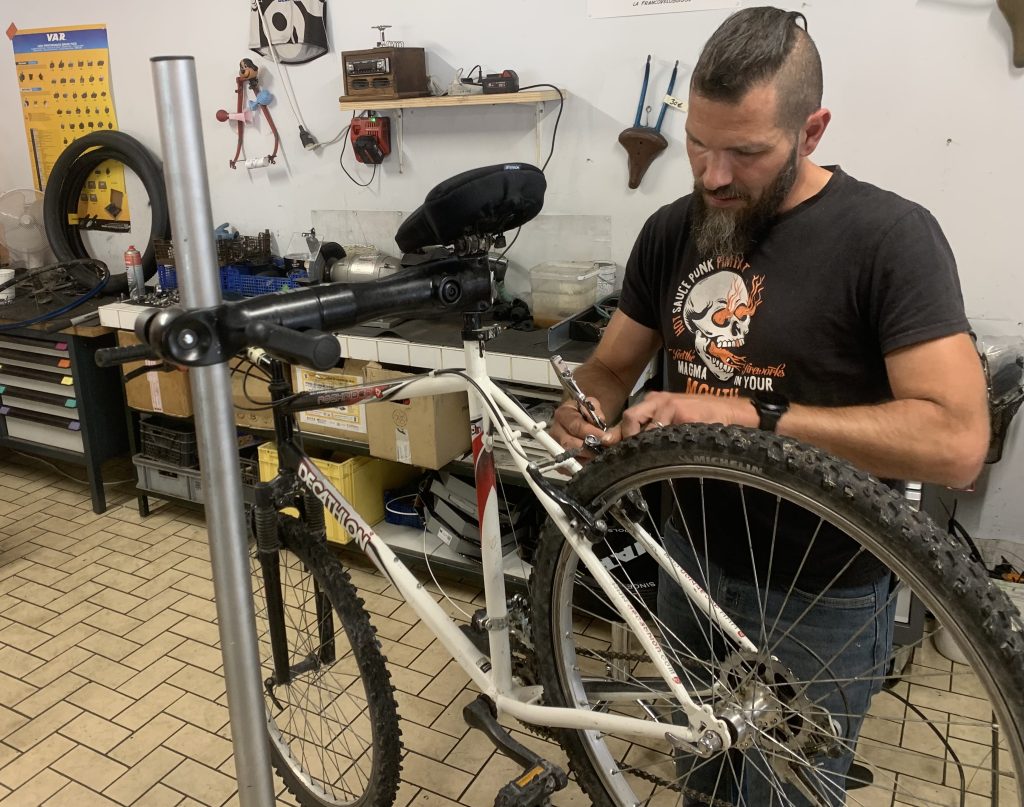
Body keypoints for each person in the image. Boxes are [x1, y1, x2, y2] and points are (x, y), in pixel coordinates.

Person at [551, 6, 990, 806]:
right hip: (688, 562)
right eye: (698, 145)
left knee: (786, 795)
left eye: (746, 152)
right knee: (704, 773)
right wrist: (587, 405)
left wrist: (751, 417)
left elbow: (957, 439)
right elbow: (614, 365)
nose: (714, 176)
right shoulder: (672, 230)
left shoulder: (889, 238)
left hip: (822, 590)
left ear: (812, 130)